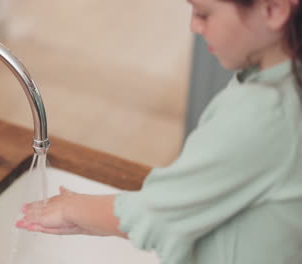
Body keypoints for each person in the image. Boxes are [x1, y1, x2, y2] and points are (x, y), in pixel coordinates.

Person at [16, 0, 302, 263]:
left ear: (273, 10)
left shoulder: (265, 113)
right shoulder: (280, 84)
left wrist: (73, 208)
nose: (194, 26)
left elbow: (157, 212)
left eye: (203, 14)